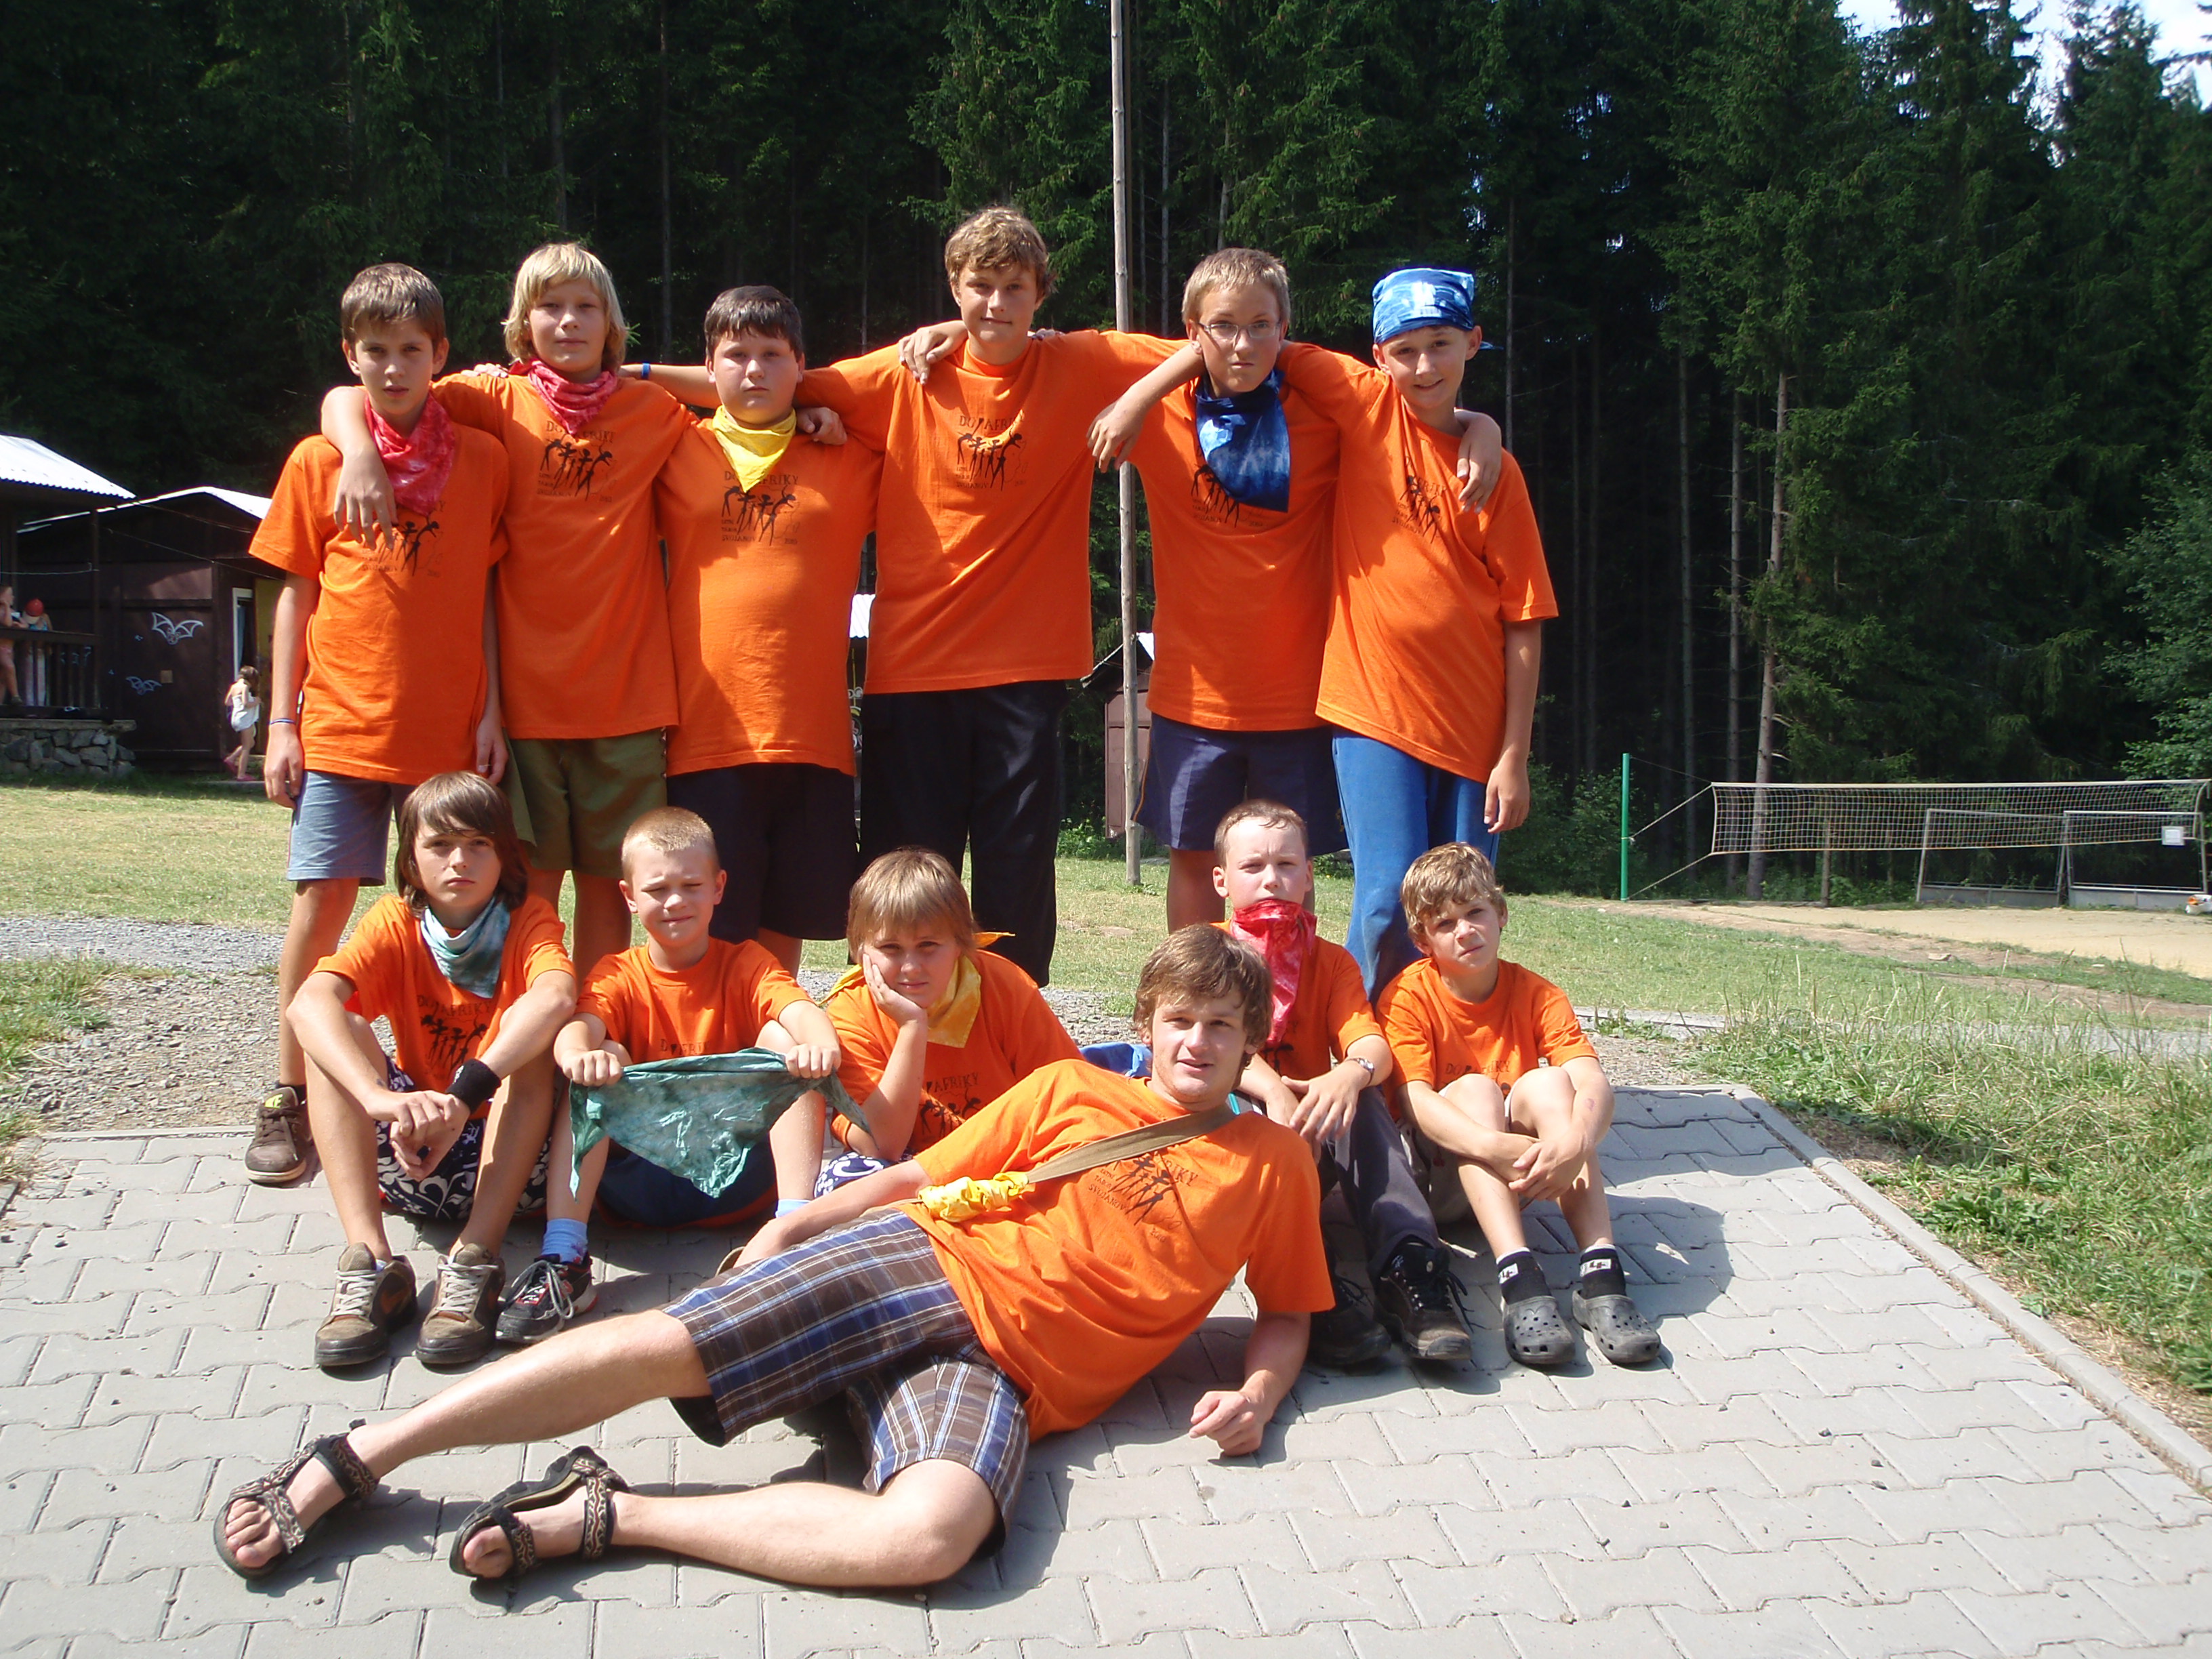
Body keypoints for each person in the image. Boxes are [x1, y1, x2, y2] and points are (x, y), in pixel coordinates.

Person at [213, 925, 1330, 1591]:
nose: (1196, 1042)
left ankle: (610, 1511)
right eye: (1179, 1019)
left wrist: (1259, 1392)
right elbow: (914, 1175)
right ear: (1148, 1019)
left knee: (933, 1536)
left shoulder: (1273, 1163)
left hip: (1010, 1379)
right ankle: (362, 1451)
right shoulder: (1073, 1088)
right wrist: (796, 1222)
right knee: (672, 1341)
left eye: (1220, 1028)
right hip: (926, 1263)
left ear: (1250, 1041)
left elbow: (1286, 1309)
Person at [642, 207, 1187, 985]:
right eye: (979, 287)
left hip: (1026, 672)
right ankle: (894, 1030)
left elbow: (1208, 345)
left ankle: (1005, 1028)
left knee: (1016, 878)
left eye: (1014, 288)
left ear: (1041, 294)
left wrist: (1133, 400)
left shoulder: (1081, 362)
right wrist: (631, 374)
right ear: (953, 287)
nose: (996, 303)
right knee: (902, 883)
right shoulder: (902, 375)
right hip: (912, 672)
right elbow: (759, 382)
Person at [1075, 249, 1501, 931]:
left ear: (1285, 328)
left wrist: (1483, 425)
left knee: (1287, 868)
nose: (1242, 344)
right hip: (1193, 694)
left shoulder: (1325, 409)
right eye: (1223, 327)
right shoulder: (1162, 404)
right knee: (1194, 858)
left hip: (1300, 696)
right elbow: (1033, 344)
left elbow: (1420, 401)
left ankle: (1291, 996)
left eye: (1261, 326)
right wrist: (1138, 396)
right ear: (1193, 331)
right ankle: (1194, 990)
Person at [321, 243, 696, 983]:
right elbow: (358, 389)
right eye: (550, 307)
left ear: (612, 323)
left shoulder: (653, 412)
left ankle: (595, 1026)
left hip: (625, 696)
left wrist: (644, 372)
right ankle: (532, 1019)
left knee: (610, 884)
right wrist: (359, 449)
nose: (569, 322)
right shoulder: (489, 399)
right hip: (522, 704)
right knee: (530, 883)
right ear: (523, 323)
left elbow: (742, 388)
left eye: (586, 307)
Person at [243, 262, 512, 1189]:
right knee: (321, 909)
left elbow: (488, 593)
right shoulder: (319, 460)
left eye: (410, 350)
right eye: (375, 351)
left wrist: (493, 710)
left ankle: (440, 1091)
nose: (393, 368)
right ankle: (289, 1095)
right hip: (340, 728)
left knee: (445, 911)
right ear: (349, 356)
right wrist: (282, 723)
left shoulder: (482, 460)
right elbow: (294, 596)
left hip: (445, 736)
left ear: (440, 354)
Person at [500, 806, 844, 1345]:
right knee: (602, 1054)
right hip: (636, 1180)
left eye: (691, 886)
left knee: (784, 1041)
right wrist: (577, 1056)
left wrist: (821, 1047)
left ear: (719, 888)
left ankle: (792, 1234)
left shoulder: (746, 962)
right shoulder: (617, 972)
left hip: (737, 1180)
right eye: (657, 890)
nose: (675, 902)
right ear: (628, 896)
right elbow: (577, 1029)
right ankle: (565, 1257)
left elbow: (802, 1011)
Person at [287, 771, 575, 1371]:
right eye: (440, 845)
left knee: (535, 1039)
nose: (459, 861)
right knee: (335, 1031)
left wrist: (465, 1096)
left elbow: (556, 997)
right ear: (411, 862)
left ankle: (475, 1260)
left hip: (514, 1167)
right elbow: (307, 1004)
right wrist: (378, 1100)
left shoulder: (529, 918)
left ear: (506, 856)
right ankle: (370, 1261)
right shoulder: (395, 920)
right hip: (413, 1148)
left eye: (478, 844)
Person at [649, 285, 882, 973]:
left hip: (812, 735)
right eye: (736, 355)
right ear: (708, 367)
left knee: (787, 926)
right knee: (707, 928)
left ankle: (769, 1036)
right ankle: (702, 1038)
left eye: (773, 356)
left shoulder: (849, 454)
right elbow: (593, 401)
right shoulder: (672, 448)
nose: (754, 370)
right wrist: (636, 368)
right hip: (706, 734)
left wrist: (825, 408)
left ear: (801, 365)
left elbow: (907, 394)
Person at [1376, 842, 1660, 1369]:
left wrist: (1576, 1142)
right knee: (1477, 1090)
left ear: (1501, 914)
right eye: (1445, 924)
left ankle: (1601, 1274)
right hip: (1439, 1179)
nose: (1466, 931)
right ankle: (1519, 1279)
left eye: (1476, 912)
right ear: (1422, 940)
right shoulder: (1408, 997)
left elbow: (1592, 1079)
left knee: (1554, 1084)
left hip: (1526, 1174)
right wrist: (1493, 1146)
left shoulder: (1537, 993)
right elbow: (1414, 1100)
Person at [1208, 799, 1469, 1366]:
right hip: (1230, 1125)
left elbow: (1372, 1046)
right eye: (1253, 867)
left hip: (1308, 1123)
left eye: (1286, 865)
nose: (1271, 880)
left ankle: (1410, 1265)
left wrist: (1349, 1074)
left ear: (1308, 876)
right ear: (1222, 880)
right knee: (1252, 1114)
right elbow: (1203, 1049)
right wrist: (1273, 1090)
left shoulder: (1331, 962)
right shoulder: (1205, 952)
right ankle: (1313, 1282)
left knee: (1364, 1096)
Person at [817, 846, 1079, 1189]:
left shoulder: (1004, 985)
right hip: (909, 1168)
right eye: (891, 949)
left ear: (960, 943)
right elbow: (881, 1145)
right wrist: (912, 1027)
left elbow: (1070, 1095)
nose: (911, 968)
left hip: (1007, 1160)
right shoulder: (851, 1011)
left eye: (928, 946)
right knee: (844, 1181)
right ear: (861, 950)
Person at [223, 664, 263, 781]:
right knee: (246, 747)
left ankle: (231, 758)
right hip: (245, 719)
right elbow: (246, 704)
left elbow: (227, 702)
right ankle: (241, 774)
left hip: (236, 718)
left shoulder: (234, 686)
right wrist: (256, 701)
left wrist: (237, 703)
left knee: (250, 743)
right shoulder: (245, 687)